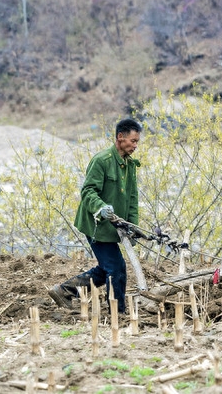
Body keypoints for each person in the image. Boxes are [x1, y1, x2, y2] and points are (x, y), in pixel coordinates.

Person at [49, 117, 142, 308]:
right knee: (116, 268)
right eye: (133, 141)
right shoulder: (102, 161)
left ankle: (65, 290)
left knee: (107, 267)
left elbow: (132, 198)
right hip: (96, 225)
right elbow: (88, 191)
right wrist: (101, 207)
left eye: (137, 142)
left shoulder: (130, 165)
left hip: (114, 227)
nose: (135, 146)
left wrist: (132, 226)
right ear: (120, 137)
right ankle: (118, 312)